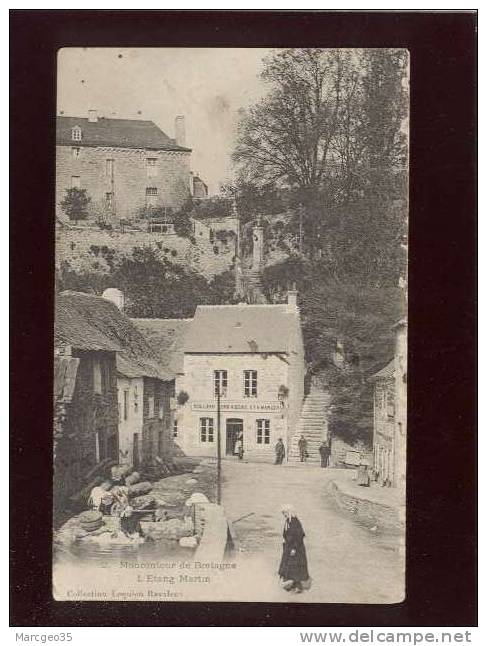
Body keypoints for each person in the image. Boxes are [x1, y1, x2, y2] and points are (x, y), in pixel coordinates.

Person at [278, 504, 310, 593]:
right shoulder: (288, 521)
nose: (284, 514)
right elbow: (286, 533)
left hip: (296, 549)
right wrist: (284, 539)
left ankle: (298, 587)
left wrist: (294, 549)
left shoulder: (295, 522)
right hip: (288, 547)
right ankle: (292, 584)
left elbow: (299, 536)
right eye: (283, 513)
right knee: (289, 565)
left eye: (285, 512)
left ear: (289, 512)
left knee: (296, 566)